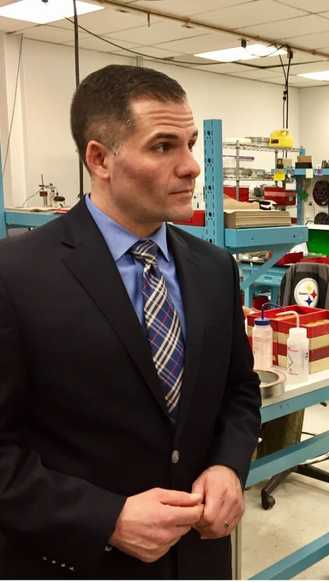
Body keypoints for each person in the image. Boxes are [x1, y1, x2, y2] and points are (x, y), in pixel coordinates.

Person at [0, 65, 261, 578]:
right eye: (164, 146)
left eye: (190, 143)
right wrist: (106, 519)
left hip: (200, 558)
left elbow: (239, 390)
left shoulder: (213, 268)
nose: (191, 167)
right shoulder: (16, 275)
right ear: (99, 158)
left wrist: (229, 465)